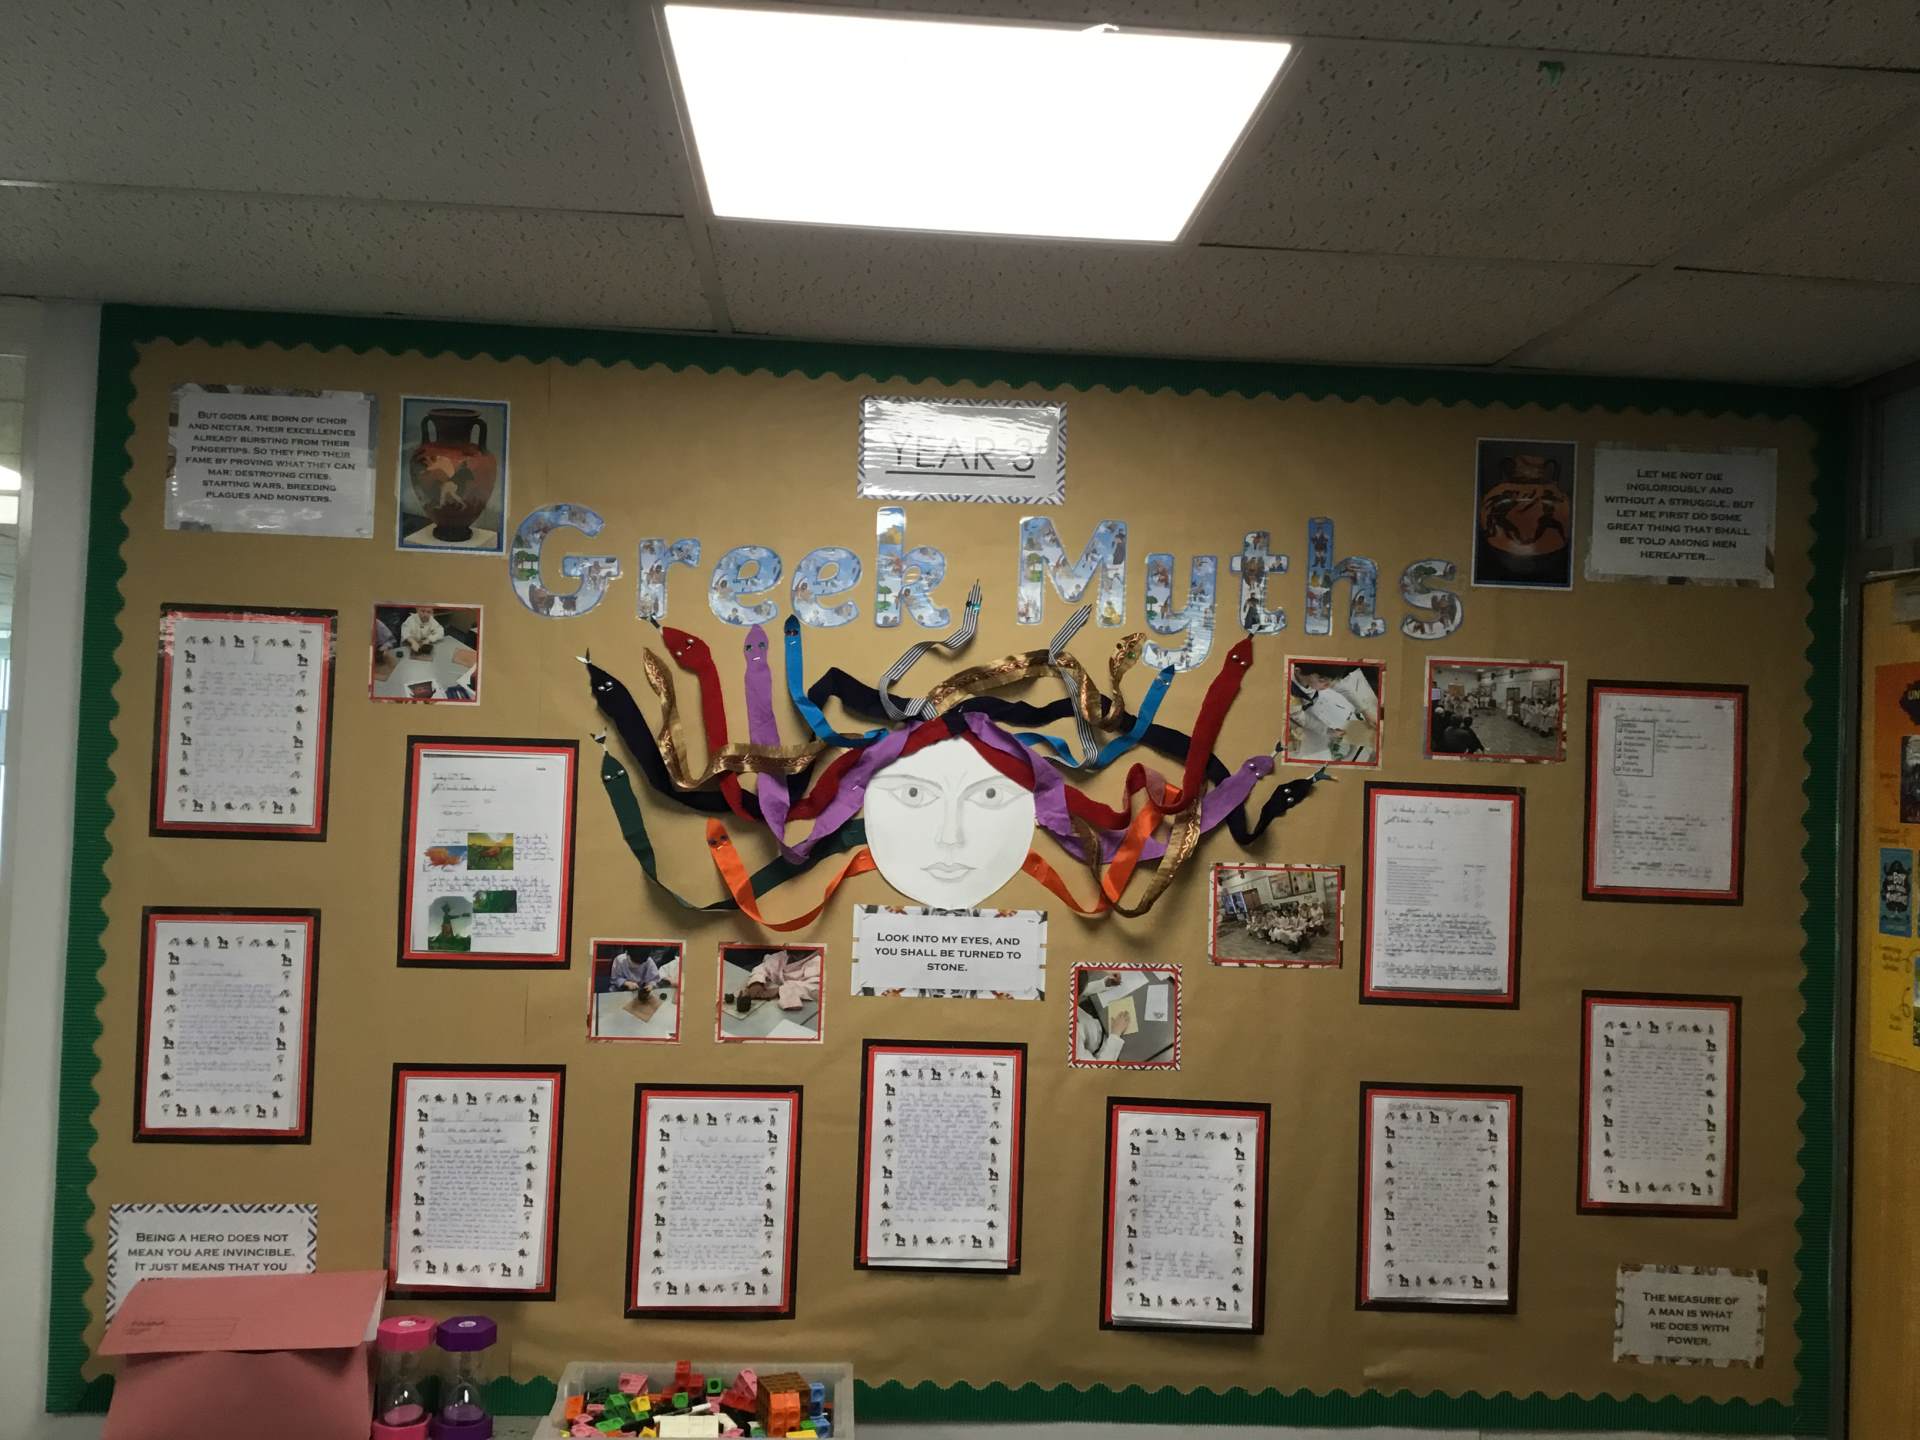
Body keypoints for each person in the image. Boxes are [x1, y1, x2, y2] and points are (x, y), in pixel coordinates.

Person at [738, 948, 821, 1010]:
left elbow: (815, 988)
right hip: (772, 1004)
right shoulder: (784, 954)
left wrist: (778, 990)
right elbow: (763, 967)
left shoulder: (818, 962)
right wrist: (756, 983)